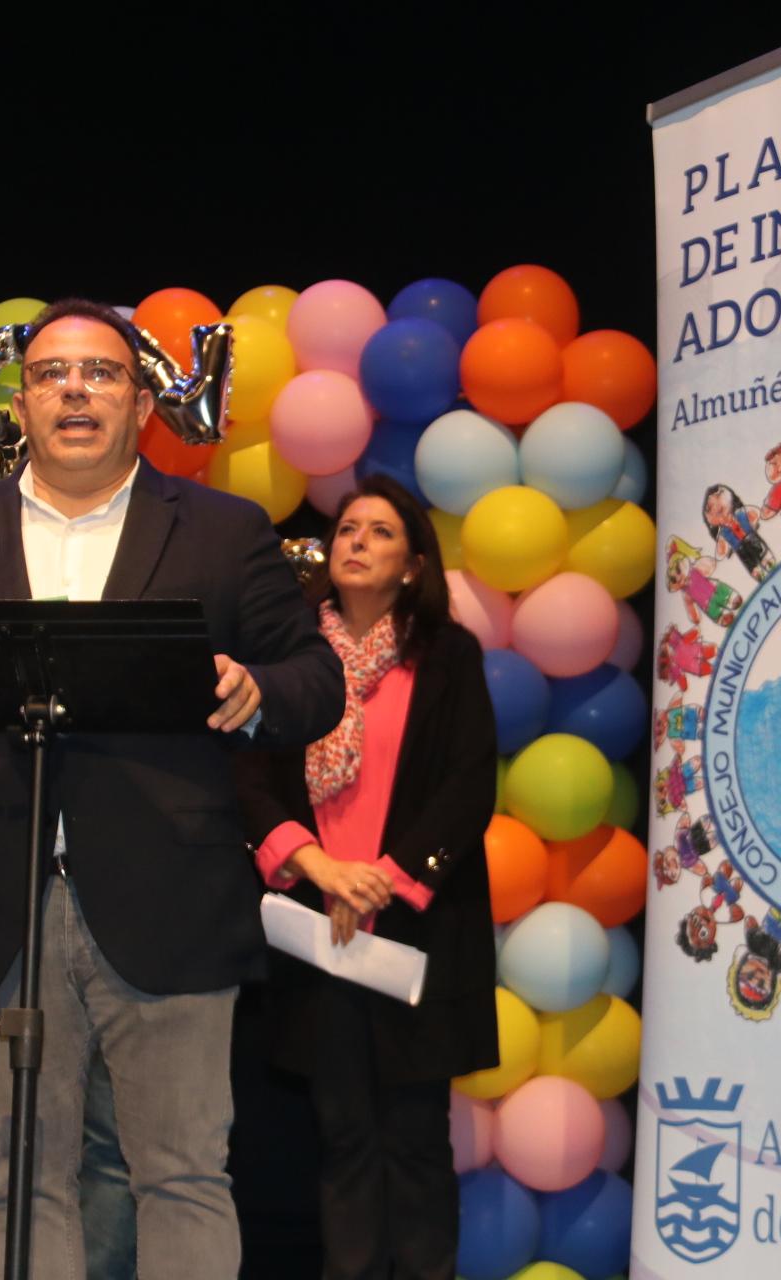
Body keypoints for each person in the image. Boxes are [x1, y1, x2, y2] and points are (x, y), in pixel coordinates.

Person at [0, 298, 344, 1280]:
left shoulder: (222, 530)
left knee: (181, 1172)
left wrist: (256, 691)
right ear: (20, 404)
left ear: (142, 404)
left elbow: (315, 679)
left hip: (172, 898)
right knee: (13, 1179)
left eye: (102, 373)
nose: (75, 390)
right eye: (51, 374)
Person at [236, 475, 498, 1280]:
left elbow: (467, 784)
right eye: (348, 528)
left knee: (415, 1141)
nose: (356, 541)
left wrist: (383, 880)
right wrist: (317, 868)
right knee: (342, 1137)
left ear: (414, 565)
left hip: (411, 926)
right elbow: (250, 778)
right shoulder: (292, 660)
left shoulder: (447, 655)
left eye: (380, 532)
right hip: (318, 929)